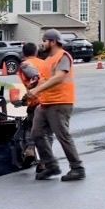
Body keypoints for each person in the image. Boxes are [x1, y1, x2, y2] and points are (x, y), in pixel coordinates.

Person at [26, 29, 84, 181]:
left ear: (53, 42)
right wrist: (33, 87)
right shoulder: (48, 60)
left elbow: (59, 77)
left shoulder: (63, 56)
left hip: (60, 102)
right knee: (36, 134)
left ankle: (77, 168)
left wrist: (37, 89)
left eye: (45, 41)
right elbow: (45, 79)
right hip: (45, 103)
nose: (42, 44)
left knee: (63, 136)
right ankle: (51, 166)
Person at [16, 42, 46, 165]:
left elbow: (35, 77)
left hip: (36, 102)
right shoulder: (44, 63)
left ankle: (30, 149)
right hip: (50, 101)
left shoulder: (26, 64)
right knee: (45, 133)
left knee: (29, 128)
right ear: (36, 52)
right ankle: (44, 162)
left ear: (23, 53)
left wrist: (31, 91)